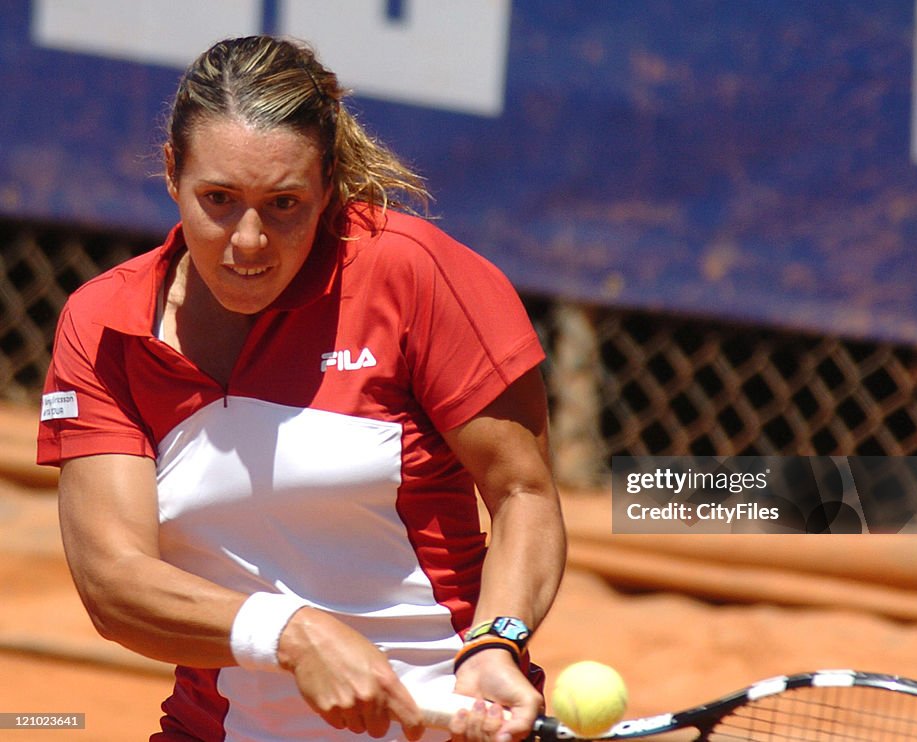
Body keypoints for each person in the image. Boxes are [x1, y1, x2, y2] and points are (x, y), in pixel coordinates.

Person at [36, 35, 566, 742]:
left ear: (327, 185)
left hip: (448, 724)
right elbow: (113, 582)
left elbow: (523, 492)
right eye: (218, 199)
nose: (248, 241)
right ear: (172, 174)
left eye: (284, 204)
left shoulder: (415, 277)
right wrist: (290, 631)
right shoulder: (104, 325)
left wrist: (498, 640)